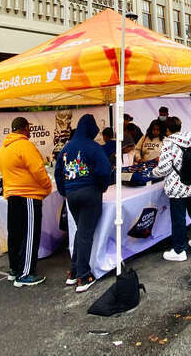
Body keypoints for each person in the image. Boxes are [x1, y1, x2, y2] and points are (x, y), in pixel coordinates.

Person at [55, 114, 111, 293]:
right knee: (86, 234)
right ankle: (83, 276)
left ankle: (73, 271)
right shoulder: (93, 147)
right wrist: (102, 187)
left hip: (71, 195)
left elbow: (58, 173)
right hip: (90, 193)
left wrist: (65, 192)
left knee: (81, 232)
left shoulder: (66, 148)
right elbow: (104, 171)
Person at [0, 116, 53, 286]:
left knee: (15, 234)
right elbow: (38, 169)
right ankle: (26, 273)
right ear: (25, 128)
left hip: (13, 195)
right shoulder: (25, 146)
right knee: (30, 235)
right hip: (29, 195)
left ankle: (14, 270)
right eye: (29, 128)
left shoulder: (5, 148)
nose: (30, 131)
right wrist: (48, 186)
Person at [153, 116, 191, 261]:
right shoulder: (190, 138)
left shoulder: (168, 144)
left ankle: (179, 250)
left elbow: (164, 168)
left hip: (178, 188)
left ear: (168, 130)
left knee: (179, 219)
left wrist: (153, 172)